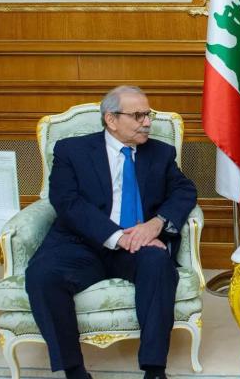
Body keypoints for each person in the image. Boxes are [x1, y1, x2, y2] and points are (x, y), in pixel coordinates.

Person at [26, 86, 197, 379]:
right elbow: (66, 201)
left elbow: (184, 190)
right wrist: (117, 237)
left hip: (140, 241)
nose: (147, 122)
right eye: (138, 115)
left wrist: (156, 224)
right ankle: (74, 371)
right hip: (82, 242)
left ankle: (155, 370)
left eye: (148, 115)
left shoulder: (160, 153)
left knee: (158, 264)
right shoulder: (72, 151)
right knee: (42, 275)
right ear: (111, 119)